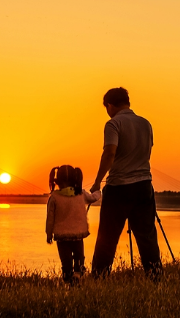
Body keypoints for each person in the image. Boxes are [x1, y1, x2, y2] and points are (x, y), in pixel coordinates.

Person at [90, 87, 163, 278]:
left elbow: (110, 153)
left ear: (110, 105)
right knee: (147, 237)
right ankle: (155, 277)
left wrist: (97, 181)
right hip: (144, 186)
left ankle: (99, 278)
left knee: (107, 237)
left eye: (106, 107)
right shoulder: (146, 124)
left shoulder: (113, 124)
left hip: (119, 187)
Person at [46, 165, 101, 284]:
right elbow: (93, 198)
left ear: (57, 181)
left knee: (66, 261)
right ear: (75, 179)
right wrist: (98, 191)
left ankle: (68, 280)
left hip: (62, 237)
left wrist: (49, 234)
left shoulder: (54, 197)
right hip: (78, 234)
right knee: (79, 258)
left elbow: (50, 218)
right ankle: (78, 275)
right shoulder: (81, 193)